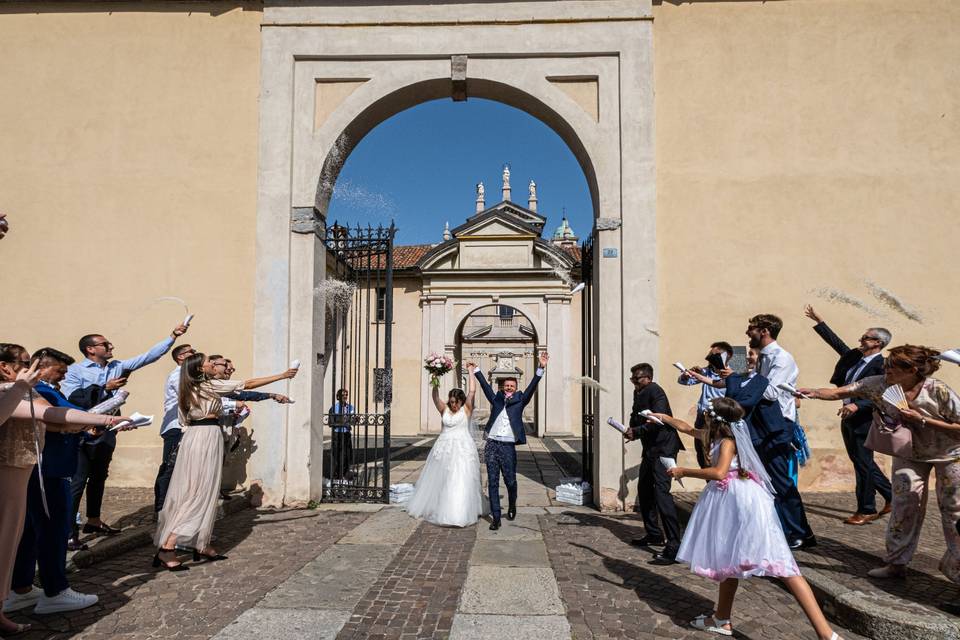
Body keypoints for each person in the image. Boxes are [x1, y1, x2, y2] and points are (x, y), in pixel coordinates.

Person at [649, 398, 843, 640]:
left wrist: (683, 471)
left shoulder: (728, 441)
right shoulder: (716, 434)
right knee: (730, 557)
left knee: (783, 565)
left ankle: (826, 634)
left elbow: (719, 473)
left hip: (741, 502)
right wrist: (664, 418)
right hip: (731, 500)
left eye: (705, 415)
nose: (702, 419)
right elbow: (688, 429)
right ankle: (722, 618)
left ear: (714, 419)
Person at [799, 345, 960, 582]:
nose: (886, 371)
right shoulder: (880, 384)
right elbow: (842, 392)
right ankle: (896, 563)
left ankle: (956, 567)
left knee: (954, 509)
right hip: (909, 452)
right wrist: (809, 392)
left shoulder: (938, 391)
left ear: (912, 370)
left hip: (949, 453)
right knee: (905, 505)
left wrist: (923, 420)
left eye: (892, 368)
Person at [0, 345, 127, 634]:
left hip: (27, 472)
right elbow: (52, 416)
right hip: (36, 471)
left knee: (19, 535)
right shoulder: (19, 389)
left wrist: (106, 420)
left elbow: (55, 416)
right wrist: (102, 419)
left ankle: (15, 593)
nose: (28, 365)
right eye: (23, 362)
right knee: (49, 528)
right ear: (5, 366)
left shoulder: (23, 389)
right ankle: (54, 591)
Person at [153, 353, 297, 570]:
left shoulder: (195, 387)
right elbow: (246, 384)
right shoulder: (205, 386)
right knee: (197, 491)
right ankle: (168, 547)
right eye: (208, 362)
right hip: (203, 437)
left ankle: (200, 543)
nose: (212, 364)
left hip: (202, 435)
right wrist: (283, 375)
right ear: (200, 369)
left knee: (206, 491)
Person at [62, 323, 189, 545]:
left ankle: (94, 519)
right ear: (91, 349)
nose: (111, 346)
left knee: (99, 477)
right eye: (105, 344)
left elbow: (148, 357)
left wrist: (172, 336)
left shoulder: (117, 366)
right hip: (81, 432)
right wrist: (106, 387)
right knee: (78, 481)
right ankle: (68, 532)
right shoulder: (75, 371)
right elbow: (72, 398)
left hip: (107, 432)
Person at [804, 304, 893, 525]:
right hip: (847, 415)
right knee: (861, 461)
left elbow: (882, 391)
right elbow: (838, 344)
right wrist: (820, 322)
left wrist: (859, 405)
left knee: (862, 464)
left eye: (866, 338)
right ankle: (893, 496)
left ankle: (867, 509)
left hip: (865, 418)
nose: (861, 339)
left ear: (878, 343)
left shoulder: (882, 365)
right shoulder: (855, 358)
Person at [740, 314, 816, 549]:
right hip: (761, 422)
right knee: (765, 479)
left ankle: (800, 532)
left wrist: (742, 385)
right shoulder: (763, 357)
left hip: (778, 425)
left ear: (764, 331)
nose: (747, 333)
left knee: (780, 480)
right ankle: (777, 527)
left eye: (750, 329)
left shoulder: (782, 358)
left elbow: (771, 392)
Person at [405, 363, 487, 527]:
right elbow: (435, 397)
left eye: (456, 402)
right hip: (443, 448)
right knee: (443, 479)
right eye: (451, 402)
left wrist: (471, 372)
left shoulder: (466, 409)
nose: (453, 405)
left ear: (461, 401)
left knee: (460, 478)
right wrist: (435, 378)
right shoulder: (444, 409)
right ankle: (441, 507)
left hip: (462, 448)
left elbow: (472, 391)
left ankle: (459, 513)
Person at [474, 351, 548, 530]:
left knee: (510, 480)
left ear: (515, 387)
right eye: (506, 385)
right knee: (492, 481)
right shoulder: (497, 399)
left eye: (511, 386)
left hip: (507, 445)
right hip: (492, 443)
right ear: (502, 387)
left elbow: (531, 387)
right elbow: (485, 387)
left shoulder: (520, 399)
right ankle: (496, 517)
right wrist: (476, 370)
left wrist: (540, 368)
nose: (508, 388)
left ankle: (512, 504)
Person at [623, 362, 684, 563]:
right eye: (632, 378)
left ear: (648, 378)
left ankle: (675, 546)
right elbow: (637, 417)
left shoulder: (655, 391)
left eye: (637, 378)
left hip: (664, 448)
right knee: (645, 491)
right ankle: (654, 534)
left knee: (661, 495)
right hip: (650, 449)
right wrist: (631, 429)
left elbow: (658, 421)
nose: (634, 382)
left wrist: (638, 431)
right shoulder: (639, 392)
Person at [154, 343, 196, 513]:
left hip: (187, 425)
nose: (194, 353)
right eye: (191, 351)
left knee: (185, 469)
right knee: (170, 468)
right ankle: (161, 508)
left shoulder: (189, 375)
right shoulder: (178, 375)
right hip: (176, 426)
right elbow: (190, 398)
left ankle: (179, 508)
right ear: (181, 357)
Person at [678, 342, 733, 468]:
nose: (709, 358)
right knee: (702, 453)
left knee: (719, 453)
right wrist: (687, 375)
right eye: (709, 355)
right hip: (703, 418)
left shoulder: (733, 373)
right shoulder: (706, 371)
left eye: (713, 356)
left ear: (725, 356)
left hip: (720, 419)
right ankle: (709, 482)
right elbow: (683, 382)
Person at [328, 389, 354, 481]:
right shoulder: (334, 408)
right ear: (338, 397)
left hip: (346, 434)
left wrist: (354, 420)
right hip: (337, 434)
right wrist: (342, 423)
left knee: (347, 454)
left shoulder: (350, 407)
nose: (345, 397)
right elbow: (331, 423)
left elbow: (352, 420)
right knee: (337, 455)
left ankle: (346, 474)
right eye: (343, 395)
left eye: (346, 395)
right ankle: (337, 475)